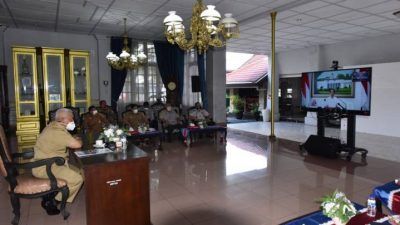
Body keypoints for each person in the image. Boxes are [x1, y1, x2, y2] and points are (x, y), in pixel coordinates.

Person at [32, 108, 83, 215]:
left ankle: (53, 194)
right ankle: (53, 201)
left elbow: (66, 139)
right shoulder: (57, 131)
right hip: (45, 167)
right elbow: (77, 144)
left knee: (81, 172)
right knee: (78, 179)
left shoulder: (54, 126)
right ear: (63, 119)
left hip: (50, 163)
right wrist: (79, 139)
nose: (73, 120)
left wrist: (73, 138)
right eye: (71, 118)